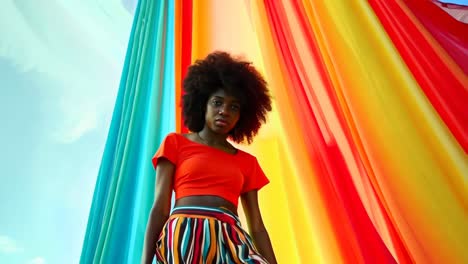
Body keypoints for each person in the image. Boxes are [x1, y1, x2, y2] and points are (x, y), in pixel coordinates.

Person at [142, 51, 278, 264]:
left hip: (229, 239)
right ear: (202, 103)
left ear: (243, 116)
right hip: (183, 236)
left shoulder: (247, 163)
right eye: (217, 102)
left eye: (234, 107)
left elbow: (257, 227)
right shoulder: (175, 143)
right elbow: (160, 208)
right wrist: (145, 261)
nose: (224, 111)